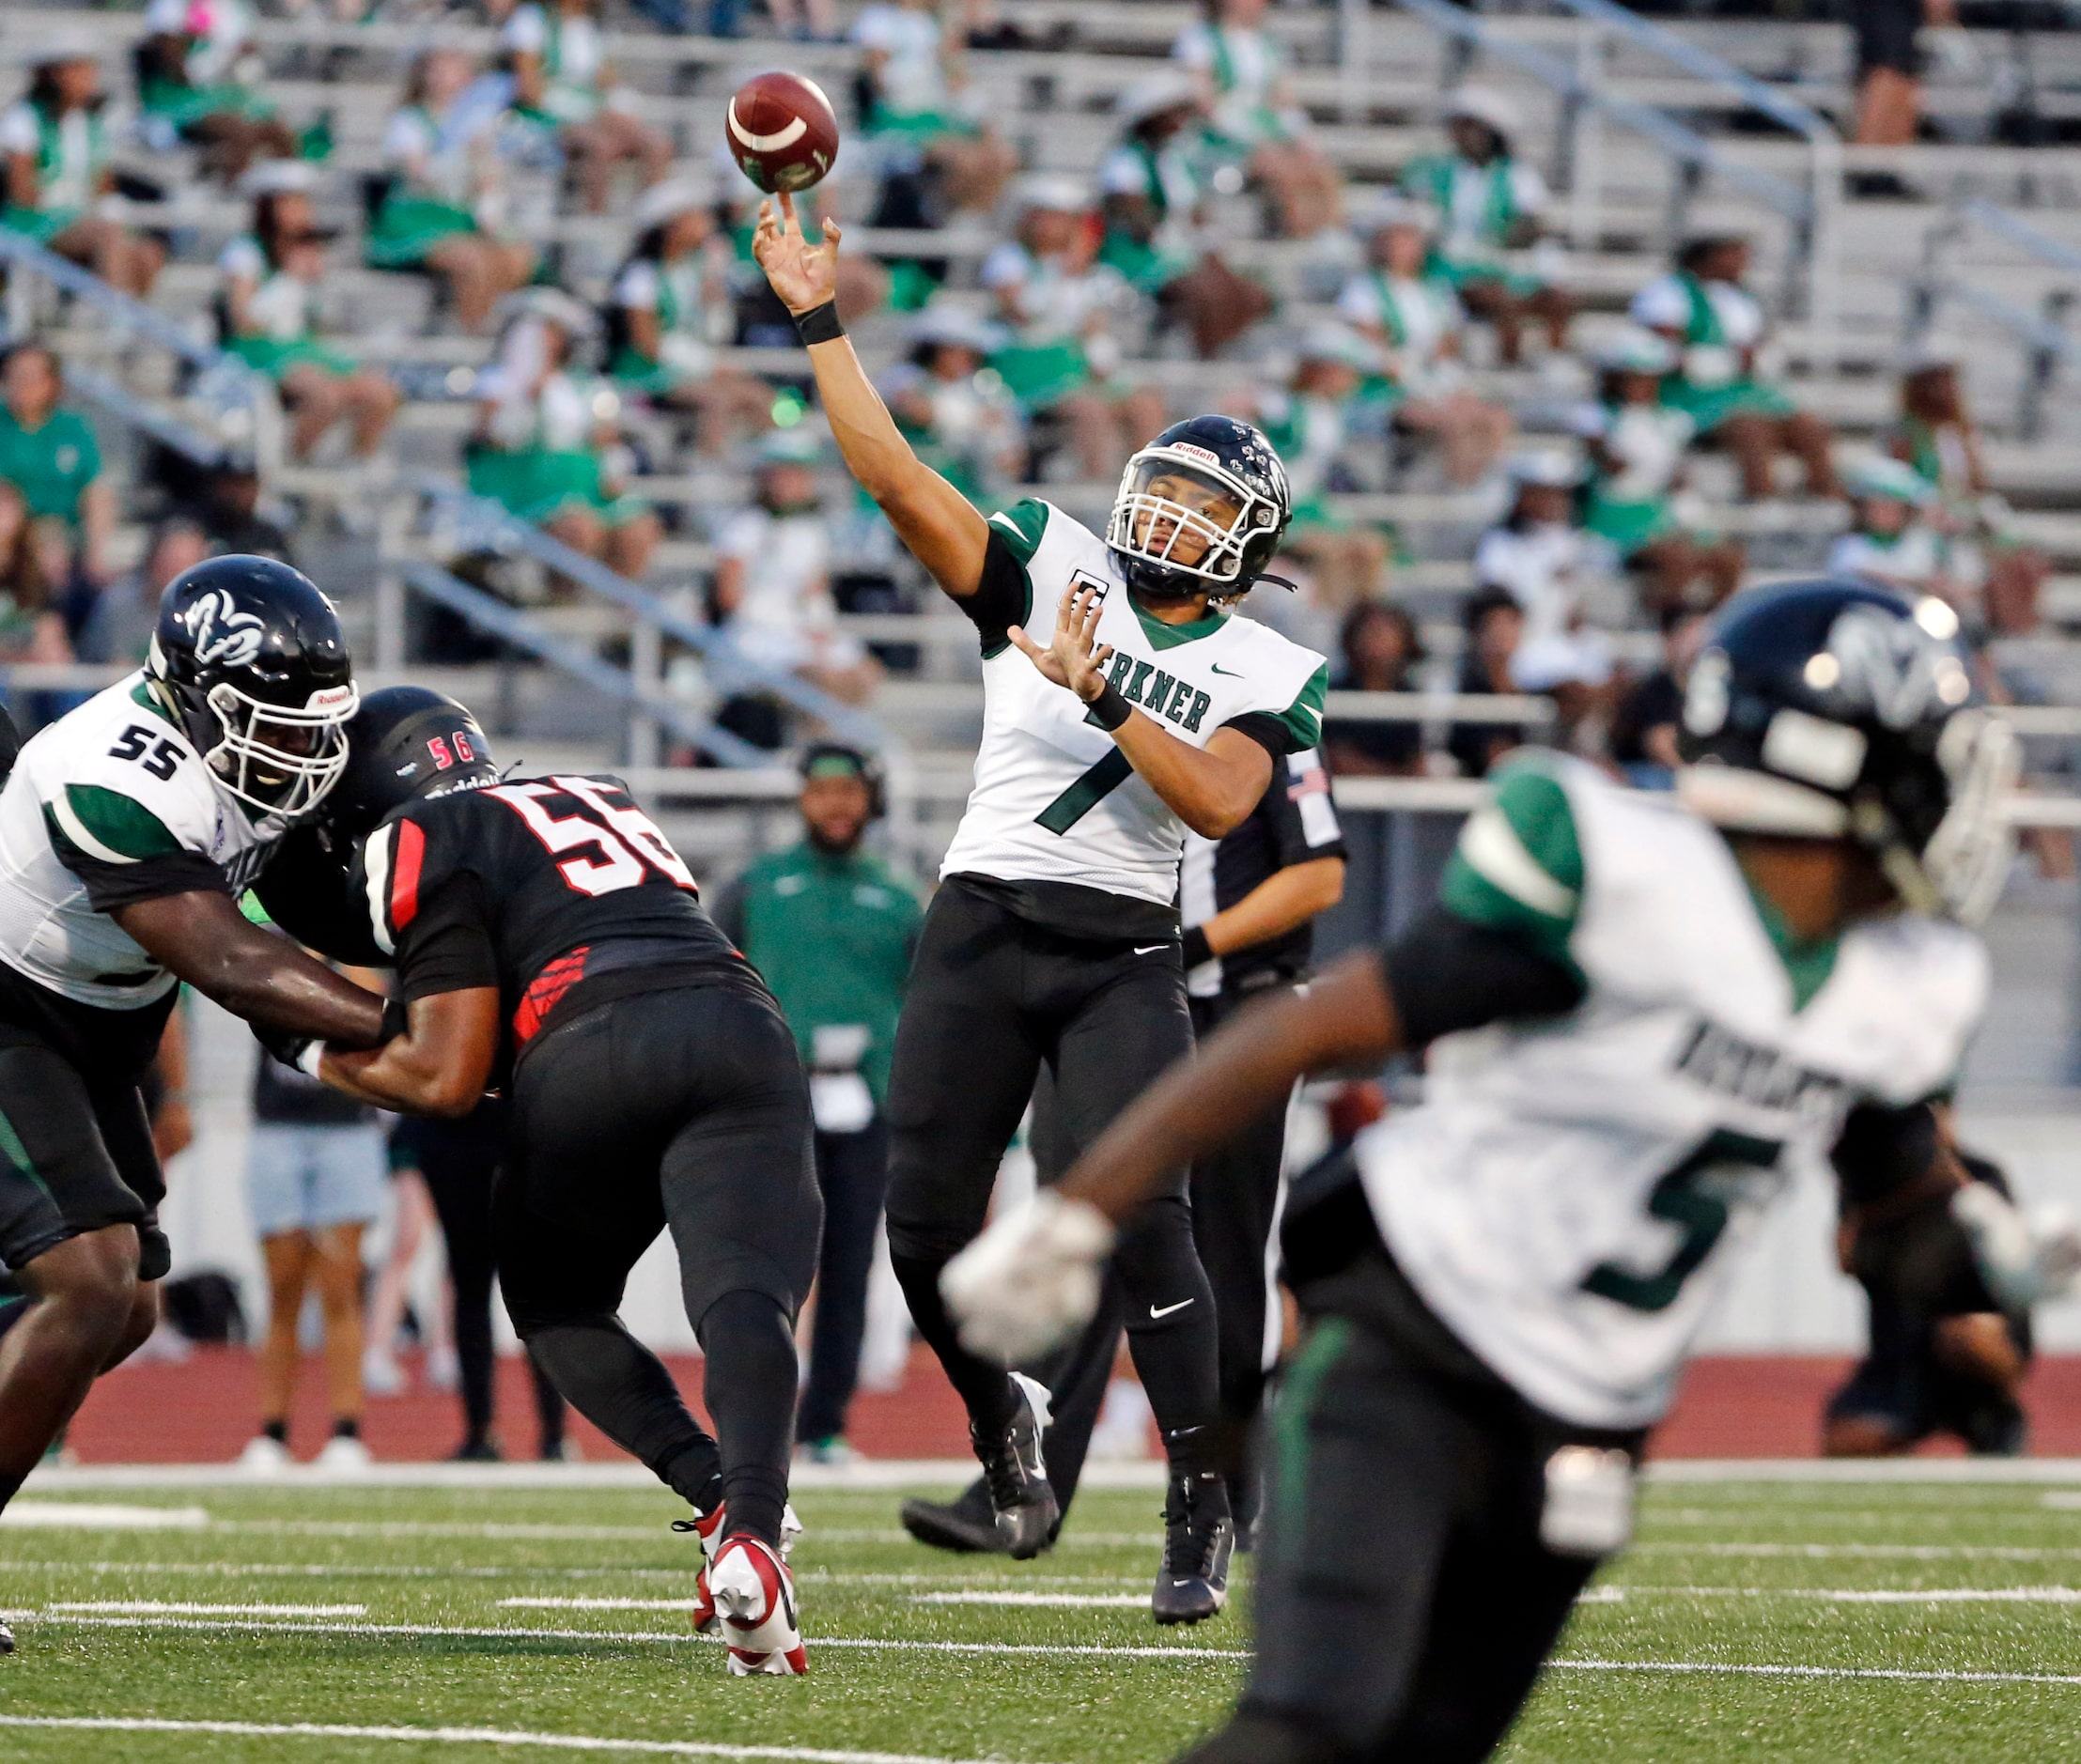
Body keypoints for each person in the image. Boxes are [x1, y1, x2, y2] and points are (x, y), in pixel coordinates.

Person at [942, 578, 2063, 1764]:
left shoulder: (1899, 981)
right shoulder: (1627, 879)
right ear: (1830, 758)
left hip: (1593, 1419)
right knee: (1308, 1733)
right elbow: (1313, 1024)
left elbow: (1888, 1224)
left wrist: (1997, 1246)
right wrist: (1077, 1214)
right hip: (1409, 1346)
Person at [754, 190, 1328, 1622]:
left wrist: (1110, 686)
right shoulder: (1050, 553)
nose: (1167, 513)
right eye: (1166, 487)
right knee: (918, 1228)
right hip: (979, 924)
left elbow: (1210, 802)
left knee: (1149, 1224)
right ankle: (998, 1421)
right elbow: (892, 477)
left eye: (1204, 505)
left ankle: (1198, 1503)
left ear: (1248, 539)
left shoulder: (1267, 662)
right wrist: (817, 319)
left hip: (1117, 950)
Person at [272, 685, 821, 1677]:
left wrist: (305, 1047)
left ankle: (710, 1494)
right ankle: (751, 1521)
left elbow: (446, 1077)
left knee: (556, 1297)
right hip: (738, 1023)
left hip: (590, 1043)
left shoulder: (421, 835)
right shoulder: (603, 795)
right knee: (745, 1289)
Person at [0, 555, 397, 1648]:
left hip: (93, 1027)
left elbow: (318, 926)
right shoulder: (107, 768)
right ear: (191, 694)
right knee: (86, 1285)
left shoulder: (249, 763)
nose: (304, 750)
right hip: (14, 1014)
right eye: (273, 720)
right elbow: (229, 960)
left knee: (123, 1312)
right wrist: (415, 1031)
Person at [902, 746, 1345, 1553]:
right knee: (1073, 1230)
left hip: (1229, 1012)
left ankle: (1230, 1488)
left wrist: (1195, 942)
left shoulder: (1260, 714)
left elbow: (1318, 876)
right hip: (1112, 1007)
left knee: (1222, 1251)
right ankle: (1028, 1488)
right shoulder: (1107, 708)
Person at [712, 745, 923, 1465]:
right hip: (775, 1103)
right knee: (764, 1264)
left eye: (849, 791)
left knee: (849, 1267)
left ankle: (825, 1422)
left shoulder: (897, 898)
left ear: (871, 799)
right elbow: (715, 986)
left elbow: (926, 1008)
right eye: (822, 790)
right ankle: (752, 1421)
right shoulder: (757, 888)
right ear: (800, 798)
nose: (836, 804)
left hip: (866, 1104)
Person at [238, 953, 392, 1473]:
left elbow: (377, 1010)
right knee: (282, 1288)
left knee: (340, 1286)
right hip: (278, 1128)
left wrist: (333, 955)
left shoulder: (356, 946)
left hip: (347, 1129)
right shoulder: (266, 940)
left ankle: (347, 1432)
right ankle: (272, 1433)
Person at [1825, 1100, 2031, 1457]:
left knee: (1973, 1338)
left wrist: (1945, 1172)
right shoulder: (1870, 1181)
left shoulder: (1979, 1173)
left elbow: (2007, 1253)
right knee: (1849, 1440)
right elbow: (1848, 1259)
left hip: (1964, 1337)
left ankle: (1995, 1419)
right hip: (1902, 1347)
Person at [394, 1105, 569, 1462]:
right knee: (480, 1288)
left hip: (505, 1135)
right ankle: (495, 1432)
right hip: (465, 1134)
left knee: (527, 1291)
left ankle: (547, 1434)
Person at [981, 176, 1165, 482]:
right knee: (1090, 411)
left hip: (1071, 365)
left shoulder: (1092, 273)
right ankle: (1093, 485)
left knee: (1144, 403)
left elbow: (1092, 328)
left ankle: (1149, 482)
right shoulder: (1009, 260)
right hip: (1027, 369)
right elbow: (1023, 314)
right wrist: (1063, 277)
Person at [467, 291, 660, 582]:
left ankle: (618, 613)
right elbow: (495, 439)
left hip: (581, 486)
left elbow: (605, 439)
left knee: (639, 528)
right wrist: (531, 393)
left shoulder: (586, 386)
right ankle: (559, 596)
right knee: (579, 528)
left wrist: (612, 469)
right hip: (525, 485)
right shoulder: (499, 382)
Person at [1631, 235, 1838, 503]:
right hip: (1689, 398)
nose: (1742, 262)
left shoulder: (1741, 297)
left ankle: (1826, 497)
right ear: (1709, 254)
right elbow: (1664, 355)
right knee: (1751, 428)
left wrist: (1749, 361)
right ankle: (1762, 500)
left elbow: (1763, 350)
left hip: (1744, 393)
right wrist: (1729, 363)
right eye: (1733, 253)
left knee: (1810, 427)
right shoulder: (1667, 293)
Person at [219, 164, 401, 463]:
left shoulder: (308, 251)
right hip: (262, 349)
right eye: (291, 202)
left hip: (302, 345)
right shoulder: (244, 253)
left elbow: (316, 318)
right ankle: (295, 464)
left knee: (381, 394)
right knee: (324, 396)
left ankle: (358, 465)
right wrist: (287, 280)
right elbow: (245, 322)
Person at [1336, 197, 1514, 488]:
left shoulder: (1436, 291)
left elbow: (1447, 348)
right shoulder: (1364, 290)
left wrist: (1441, 382)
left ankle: (1480, 486)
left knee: (1493, 418)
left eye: (1411, 238)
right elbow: (1372, 348)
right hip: (1382, 393)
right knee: (1452, 421)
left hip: (1428, 383)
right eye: (1398, 237)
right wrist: (1417, 377)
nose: (1405, 246)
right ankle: (1457, 487)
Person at [1100, 73, 1272, 360]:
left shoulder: (1177, 159)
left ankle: (1221, 357)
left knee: (1249, 294)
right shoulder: (1125, 161)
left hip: (1177, 251)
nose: (1183, 120)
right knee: (1203, 292)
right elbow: (1133, 218)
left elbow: (1196, 212)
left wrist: (1209, 247)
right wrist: (1179, 237)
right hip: (1137, 256)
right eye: (1175, 112)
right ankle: (1206, 358)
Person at [367, 47, 537, 334]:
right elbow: (419, 176)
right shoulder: (409, 120)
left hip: (459, 217)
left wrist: (485, 177)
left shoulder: (479, 123)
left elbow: (488, 177)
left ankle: (490, 333)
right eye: (439, 70)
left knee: (518, 259)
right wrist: (463, 161)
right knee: (474, 262)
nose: (447, 78)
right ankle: (468, 337)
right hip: (416, 220)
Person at [1574, 328, 1743, 614]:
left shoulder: (1672, 420)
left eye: (1648, 377)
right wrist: (1656, 469)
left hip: (1661, 514)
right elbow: (1613, 468)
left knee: (1727, 558)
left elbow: (1675, 478)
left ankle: (1713, 621)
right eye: (1632, 376)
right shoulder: (1596, 418)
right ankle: (1671, 622)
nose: (1640, 385)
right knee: (1673, 557)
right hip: (1614, 523)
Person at [1884, 348, 2048, 637]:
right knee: (1985, 563)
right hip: (1929, 518)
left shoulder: (1961, 433)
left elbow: (1975, 486)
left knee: (2025, 559)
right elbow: (1902, 486)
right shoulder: (1906, 434)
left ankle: (2016, 627)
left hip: (1968, 513)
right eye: (1940, 381)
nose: (1949, 389)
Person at [1399, 88, 1568, 366]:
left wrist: (1512, 236)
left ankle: (1556, 359)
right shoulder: (1434, 171)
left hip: (1500, 265)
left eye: (1473, 128)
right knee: (1499, 299)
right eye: (1460, 128)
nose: (1465, 136)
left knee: (1557, 299)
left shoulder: (1517, 175)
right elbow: (1414, 212)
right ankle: (1511, 364)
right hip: (1449, 268)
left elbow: (1533, 223)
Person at [604, 177, 772, 455]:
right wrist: (705, 364)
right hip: (645, 375)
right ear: (671, 226)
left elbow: (716, 331)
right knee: (717, 401)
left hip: (686, 367)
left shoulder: (694, 271)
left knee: (760, 397)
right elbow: (648, 345)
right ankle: (705, 471)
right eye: (693, 215)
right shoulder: (642, 277)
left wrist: (715, 291)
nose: (704, 222)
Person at [0, 39, 163, 298]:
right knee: (107, 235)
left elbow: (102, 181)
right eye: (79, 72)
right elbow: (22, 191)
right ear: (55, 75)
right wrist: (72, 205)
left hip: (78, 218)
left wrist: (104, 205)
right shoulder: (24, 119)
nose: (89, 80)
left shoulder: (90, 123)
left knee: (147, 253)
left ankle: (128, 324)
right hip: (37, 222)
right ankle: (112, 317)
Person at [1173, 0, 1342, 239]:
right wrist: (1251, 137)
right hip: (1219, 136)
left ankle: (1327, 232)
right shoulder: (1201, 38)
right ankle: (1296, 231)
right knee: (1278, 165)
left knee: (1320, 168)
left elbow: (1283, 100)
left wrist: (1303, 136)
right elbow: (1203, 102)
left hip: (1265, 129)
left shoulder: (1269, 42)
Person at [502, 0, 668, 213]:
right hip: (545, 120)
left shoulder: (591, 28)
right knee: (600, 147)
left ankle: (650, 219)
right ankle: (593, 223)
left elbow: (607, 80)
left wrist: (621, 105)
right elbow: (530, 90)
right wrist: (582, 111)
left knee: (656, 145)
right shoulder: (531, 20)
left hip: (591, 114)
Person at [851, 0, 1017, 213]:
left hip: (939, 117)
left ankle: (973, 216)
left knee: (1003, 157)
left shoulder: (939, 23)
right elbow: (879, 81)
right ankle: (946, 215)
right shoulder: (879, 19)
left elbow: (956, 77)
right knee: (965, 161)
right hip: (899, 120)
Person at [136, 0, 299, 183]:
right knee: (239, 132)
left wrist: (229, 65)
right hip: (179, 101)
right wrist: (205, 69)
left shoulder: (236, 8)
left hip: (227, 94)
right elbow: (170, 56)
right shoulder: (169, 6)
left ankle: (281, 193)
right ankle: (231, 191)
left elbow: (246, 48)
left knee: (279, 133)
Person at [0, 342, 112, 584]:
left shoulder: (73, 427)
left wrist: (97, 550)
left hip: (60, 526)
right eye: (13, 376)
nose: (21, 385)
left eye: (30, 377)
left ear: (51, 382)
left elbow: (93, 487)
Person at [76, 518, 210, 669]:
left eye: (184, 565)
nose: (175, 576)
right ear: (152, 560)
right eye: (169, 563)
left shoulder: (213, 615)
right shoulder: (119, 603)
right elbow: (115, 669)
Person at [1608, 604, 1709, 790]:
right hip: (1647, 772)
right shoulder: (1656, 689)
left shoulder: (1707, 689)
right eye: (1691, 637)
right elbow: (1661, 745)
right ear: (1672, 642)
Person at [1321, 601, 1425, 778]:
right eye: (1372, 632)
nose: (1378, 641)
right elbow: (1336, 759)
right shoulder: (1335, 693)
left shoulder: (1410, 696)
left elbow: (1415, 763)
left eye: (1387, 634)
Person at [1828, 456, 1949, 596]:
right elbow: (1853, 570)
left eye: (1892, 507)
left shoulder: (1922, 545)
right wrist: (1912, 582)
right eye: (1876, 507)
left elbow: (1940, 582)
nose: (1883, 514)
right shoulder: (1850, 545)